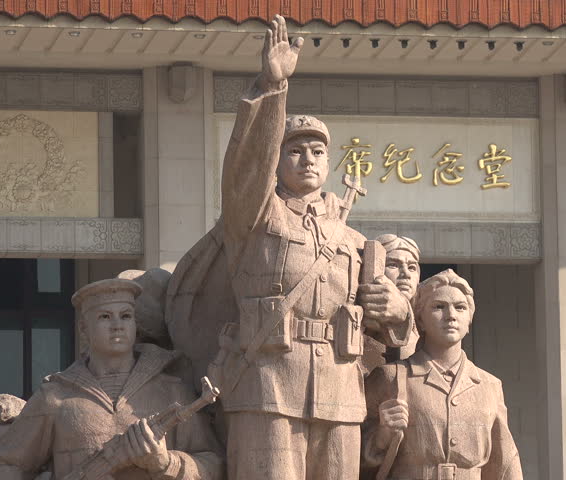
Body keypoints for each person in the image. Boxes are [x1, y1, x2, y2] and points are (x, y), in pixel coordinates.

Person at [214, 14, 412, 480]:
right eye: (294, 150)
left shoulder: (354, 241)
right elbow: (245, 169)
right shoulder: (256, 217)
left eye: (318, 152)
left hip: (340, 390)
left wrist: (397, 308)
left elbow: (395, 332)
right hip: (268, 386)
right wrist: (271, 89)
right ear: (277, 160)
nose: (307, 159)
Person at [0, 278, 224, 480]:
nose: (118, 325)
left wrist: (165, 462)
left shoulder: (173, 392)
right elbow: (2, 464)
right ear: (83, 329)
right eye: (105, 317)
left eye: (126, 316)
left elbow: (214, 465)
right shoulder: (55, 397)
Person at [361, 270, 523, 480]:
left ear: (469, 318)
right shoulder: (390, 377)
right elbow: (348, 459)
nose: (451, 316)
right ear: (420, 317)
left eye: (460, 307)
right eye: (439, 307)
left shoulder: (489, 385)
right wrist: (382, 436)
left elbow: (505, 463)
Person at [361, 234, 422, 373]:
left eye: (412, 267)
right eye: (393, 265)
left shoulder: (425, 322)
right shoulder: (362, 323)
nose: (406, 274)